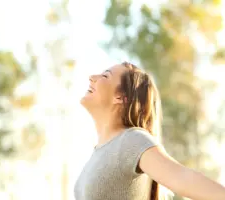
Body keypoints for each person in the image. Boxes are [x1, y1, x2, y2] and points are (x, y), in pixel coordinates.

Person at [74, 62, 225, 200]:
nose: (92, 77)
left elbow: (181, 177)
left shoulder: (131, 140)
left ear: (120, 97)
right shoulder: (99, 152)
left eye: (105, 76)